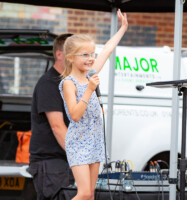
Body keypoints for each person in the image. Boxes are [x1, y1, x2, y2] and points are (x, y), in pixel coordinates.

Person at [59, 9, 128, 200]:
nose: (90, 58)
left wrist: (123, 28)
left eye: (92, 54)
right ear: (70, 57)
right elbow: (74, 114)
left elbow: (107, 49)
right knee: (84, 193)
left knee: (91, 195)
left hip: (95, 140)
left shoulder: (91, 73)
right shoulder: (68, 83)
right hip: (79, 141)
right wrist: (89, 90)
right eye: (85, 54)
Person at [28, 33, 74, 200]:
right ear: (59, 54)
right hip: (51, 164)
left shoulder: (67, 82)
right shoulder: (49, 83)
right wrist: (78, 156)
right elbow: (57, 127)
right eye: (73, 52)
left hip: (61, 162)